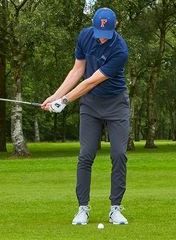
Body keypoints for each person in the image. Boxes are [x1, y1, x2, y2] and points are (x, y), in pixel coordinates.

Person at [41, 7, 130, 225]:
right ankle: (82, 209)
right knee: (86, 155)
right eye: (99, 34)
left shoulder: (120, 50)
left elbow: (91, 81)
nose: (101, 39)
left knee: (118, 154)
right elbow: (77, 71)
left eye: (106, 34)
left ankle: (115, 209)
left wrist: (64, 102)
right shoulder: (84, 36)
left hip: (116, 104)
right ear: (92, 25)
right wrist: (55, 96)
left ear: (115, 27)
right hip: (90, 105)